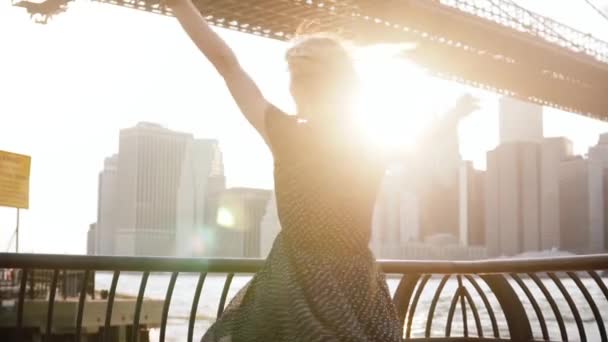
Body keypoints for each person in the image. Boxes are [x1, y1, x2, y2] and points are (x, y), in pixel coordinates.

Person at [165, 1, 478, 340]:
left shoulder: (287, 135)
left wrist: (179, 5)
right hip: (358, 286)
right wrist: (453, 117)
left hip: (292, 284)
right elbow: (422, 141)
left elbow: (227, 64)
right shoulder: (368, 144)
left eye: (295, 76)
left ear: (298, 87)